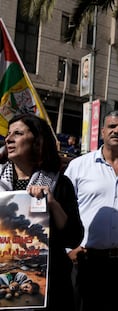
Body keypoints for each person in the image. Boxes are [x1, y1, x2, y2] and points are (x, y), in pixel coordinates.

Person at [65, 110, 118, 311]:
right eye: (112, 126)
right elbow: (63, 209)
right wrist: (68, 249)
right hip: (88, 263)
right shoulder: (78, 166)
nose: (117, 130)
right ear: (102, 131)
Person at [0, 113, 84, 310]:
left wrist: (52, 204)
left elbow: (73, 238)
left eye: (18, 133)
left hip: (49, 287)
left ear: (37, 140)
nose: (9, 139)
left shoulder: (59, 184)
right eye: (8, 134)